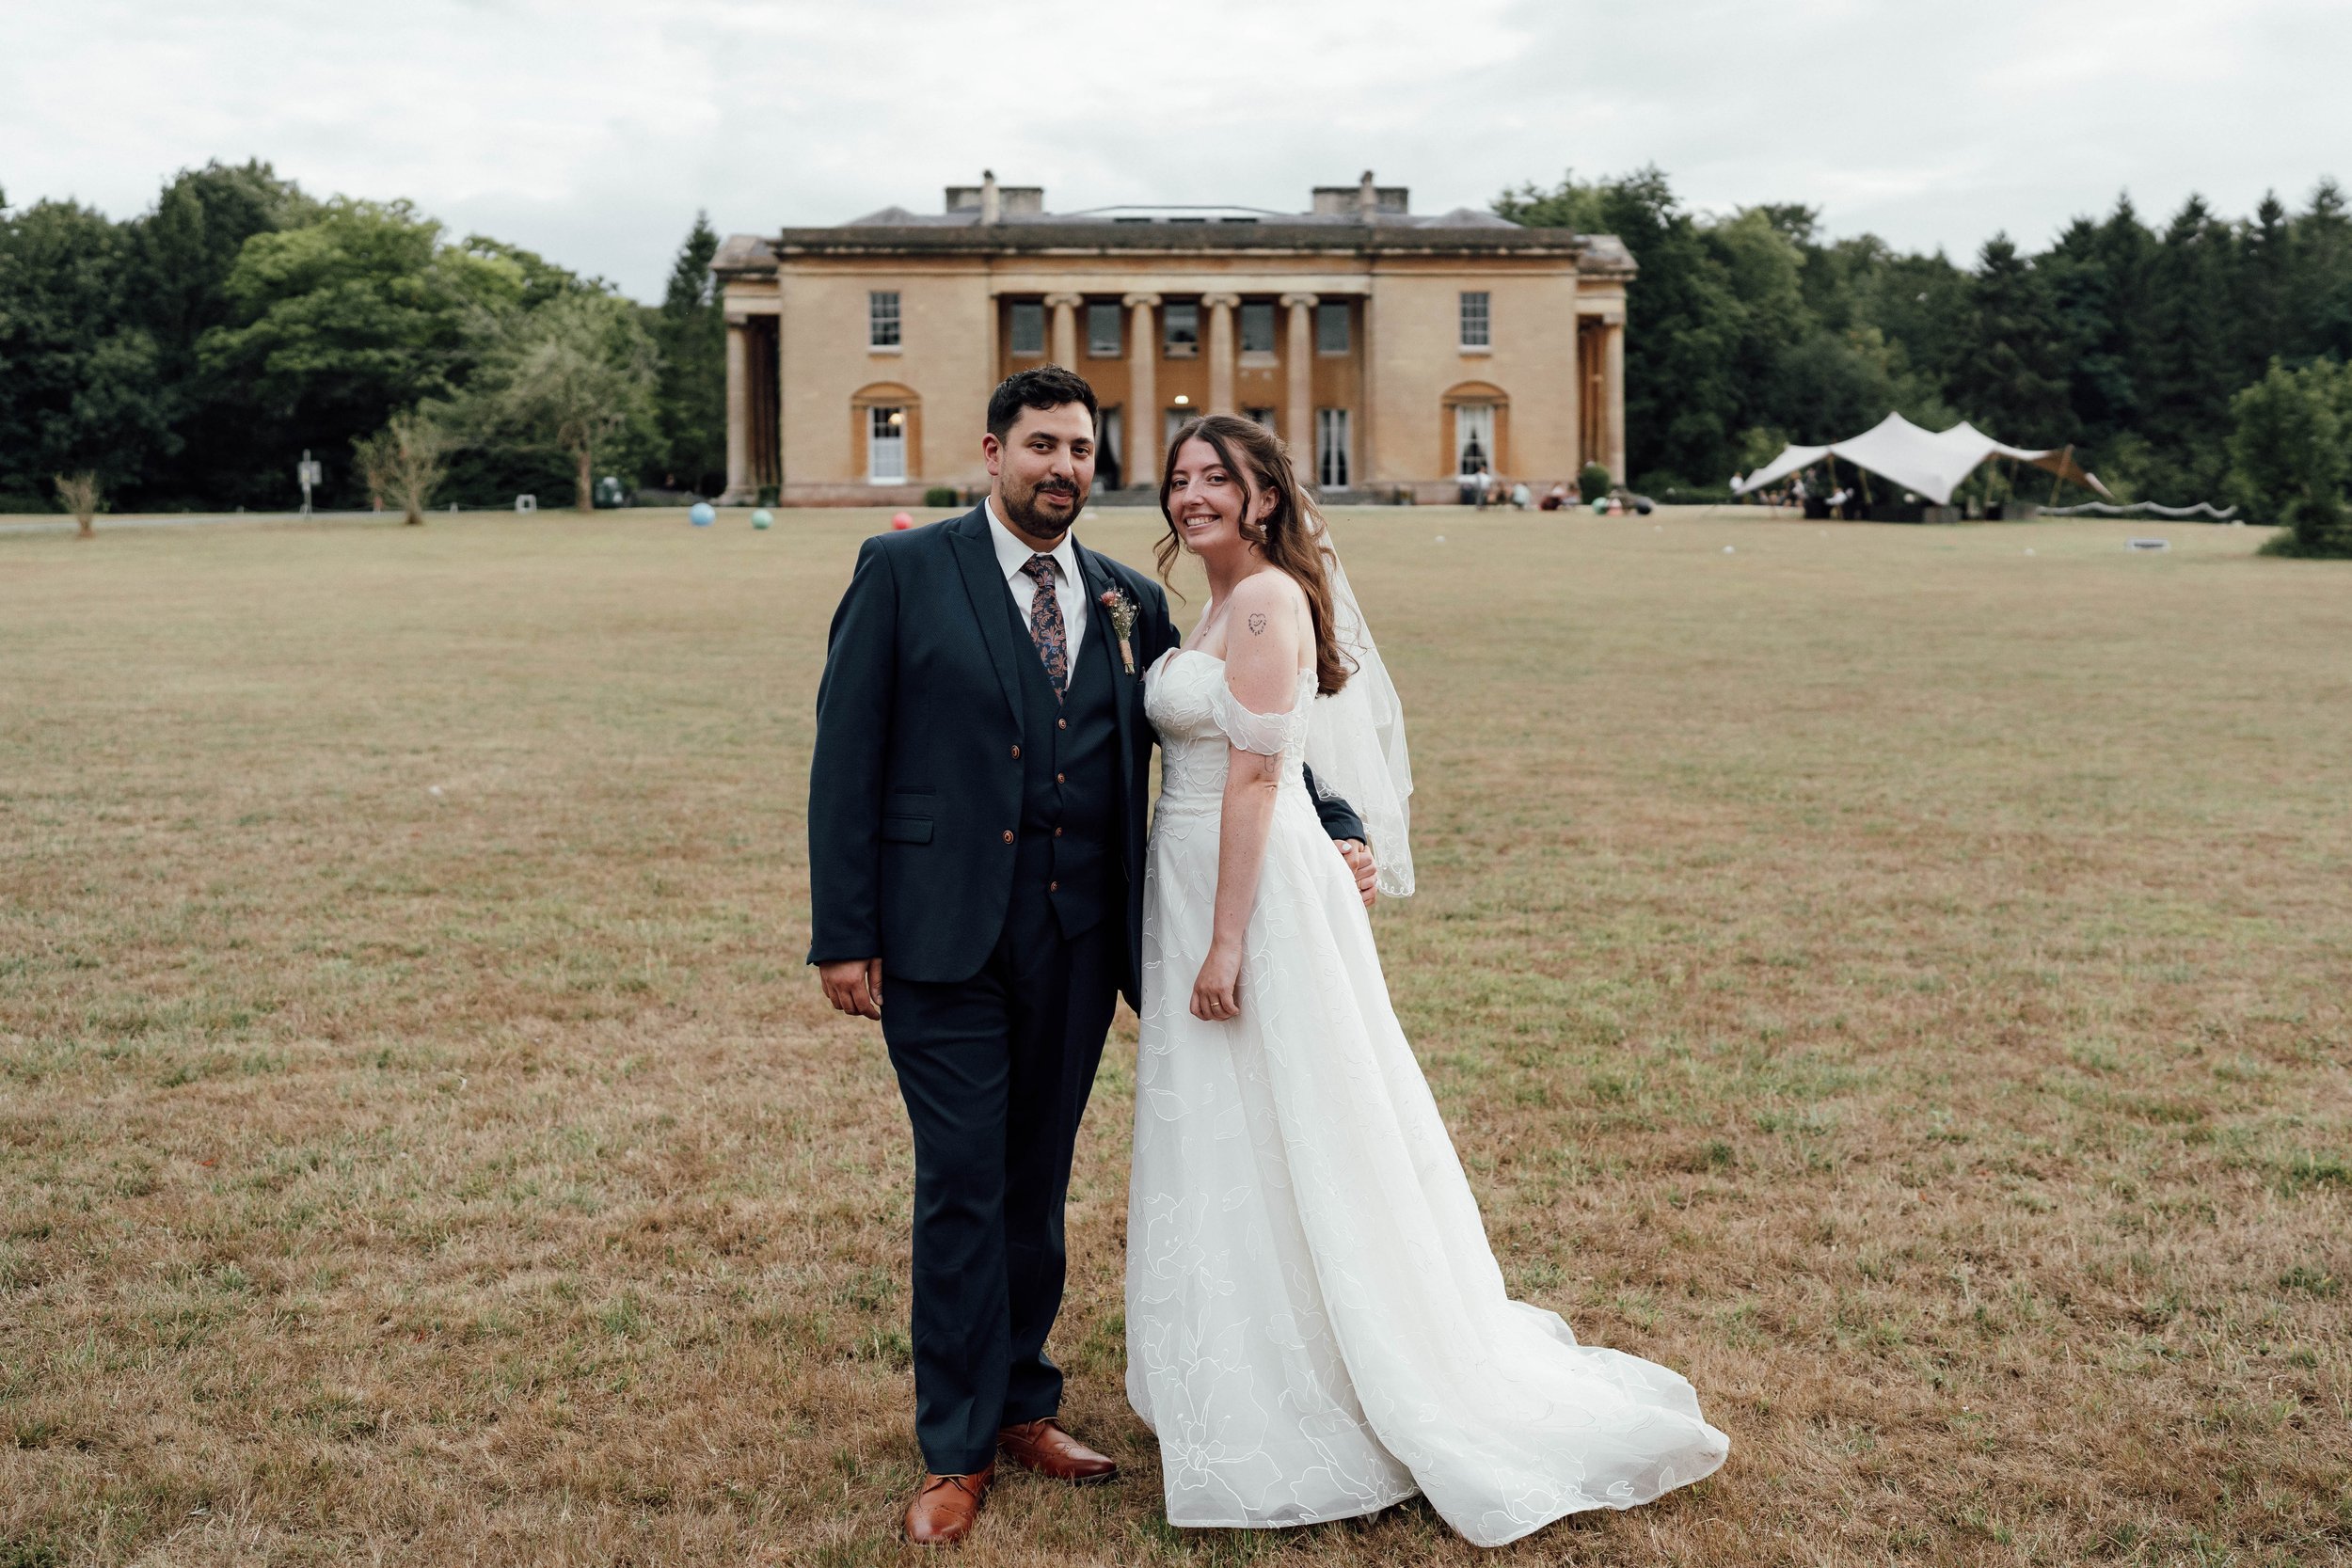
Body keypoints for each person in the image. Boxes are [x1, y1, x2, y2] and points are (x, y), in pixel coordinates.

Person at [1128, 414, 1729, 1545]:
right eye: (1180, 477)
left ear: (1264, 497)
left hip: (1246, 888)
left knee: (1295, 1114)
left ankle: (1337, 1371)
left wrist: (1225, 940)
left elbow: (1261, 780)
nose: (1194, 493)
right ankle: (1243, 1356)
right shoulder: (1204, 602)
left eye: (1220, 477)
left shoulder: (1262, 601)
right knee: (1225, 1123)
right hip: (1190, 874)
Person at [806, 367, 1378, 1546]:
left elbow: (1245, 729)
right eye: (1042, 445)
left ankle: (1024, 1400)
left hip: (1081, 938)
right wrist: (843, 930)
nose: (1063, 466)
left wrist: (1335, 822)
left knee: (1037, 1179)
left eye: (1081, 449)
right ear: (992, 451)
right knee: (963, 1180)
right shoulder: (904, 571)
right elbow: (845, 758)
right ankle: (957, 1446)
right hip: (939, 937)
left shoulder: (1130, 601)